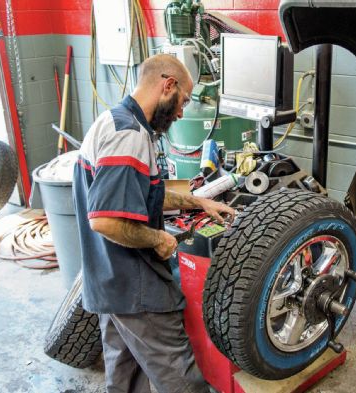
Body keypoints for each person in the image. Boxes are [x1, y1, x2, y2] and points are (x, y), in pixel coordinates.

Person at [73, 54, 234, 393]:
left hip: (109, 282)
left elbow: (139, 191)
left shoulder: (112, 121)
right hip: (136, 286)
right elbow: (104, 220)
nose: (181, 112)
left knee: (126, 375)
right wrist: (159, 239)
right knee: (181, 380)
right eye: (183, 101)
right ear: (168, 85)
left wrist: (196, 201)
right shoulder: (128, 136)